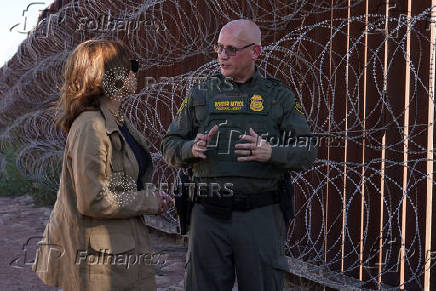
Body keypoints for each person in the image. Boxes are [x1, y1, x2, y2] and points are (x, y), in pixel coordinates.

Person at [161, 19, 317, 291]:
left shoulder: (278, 97)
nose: (223, 55)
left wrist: (271, 152)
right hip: (208, 216)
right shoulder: (201, 94)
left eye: (232, 49)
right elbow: (169, 145)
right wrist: (190, 149)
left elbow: (307, 150)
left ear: (255, 52)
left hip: (259, 215)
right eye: (219, 48)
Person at [32, 39, 172, 291]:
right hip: (101, 263)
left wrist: (148, 195)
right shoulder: (91, 126)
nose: (135, 71)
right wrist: (149, 201)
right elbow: (93, 199)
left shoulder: (116, 120)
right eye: (131, 65)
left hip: (121, 246)